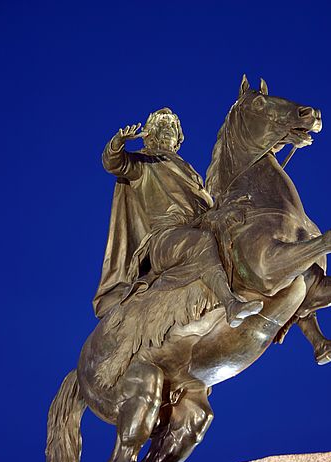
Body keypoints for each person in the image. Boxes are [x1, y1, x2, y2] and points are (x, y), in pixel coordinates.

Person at [93, 108, 263, 326]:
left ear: (178, 138)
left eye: (172, 126)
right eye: (161, 126)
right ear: (150, 134)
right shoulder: (144, 163)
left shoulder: (190, 171)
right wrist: (117, 144)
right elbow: (115, 163)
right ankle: (230, 304)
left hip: (197, 226)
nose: (168, 130)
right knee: (201, 242)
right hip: (165, 238)